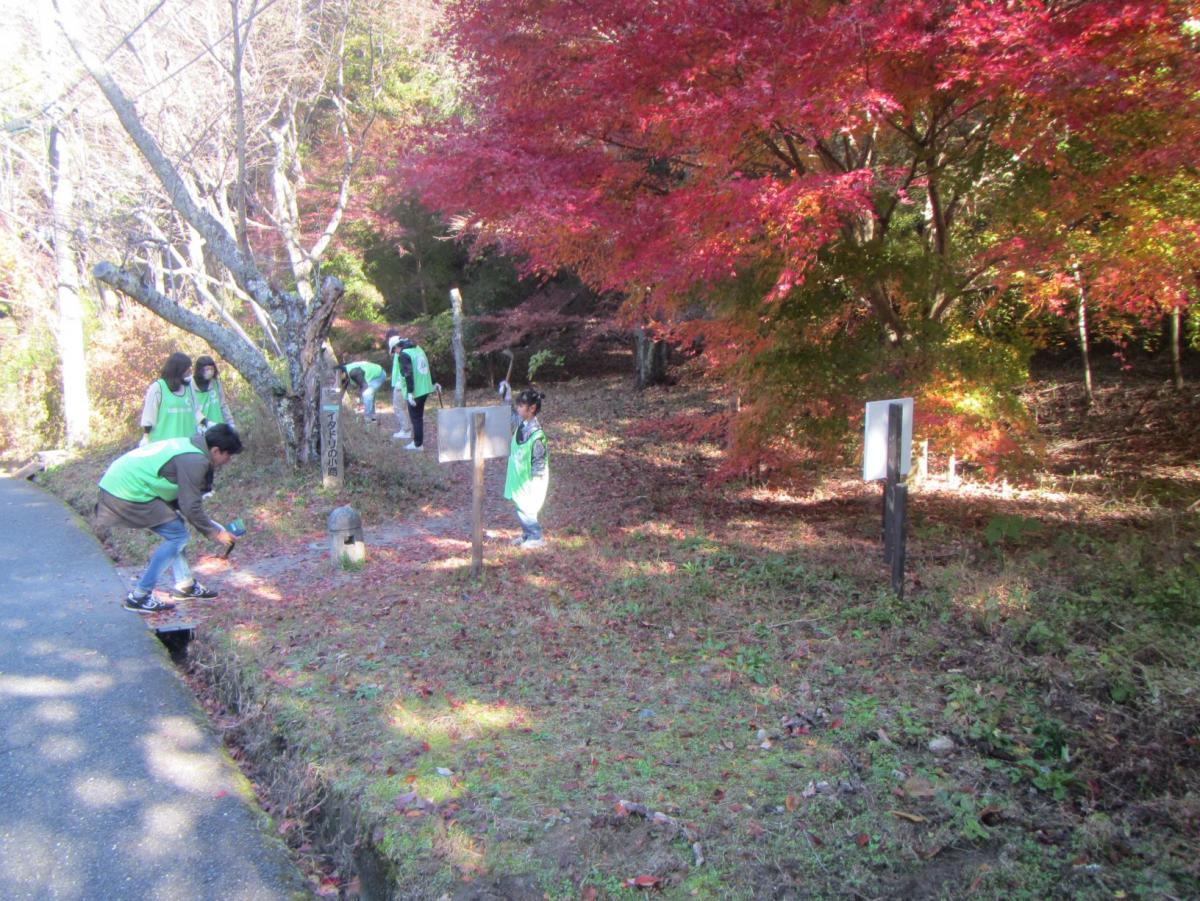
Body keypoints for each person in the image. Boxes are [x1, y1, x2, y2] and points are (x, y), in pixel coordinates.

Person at [95, 423, 243, 613]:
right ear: (215, 450)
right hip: (123, 491)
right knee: (177, 535)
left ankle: (185, 584)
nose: (228, 460)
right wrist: (215, 533)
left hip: (124, 484)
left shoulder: (192, 446)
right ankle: (139, 596)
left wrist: (216, 527)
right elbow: (190, 506)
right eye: (228, 455)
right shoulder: (196, 460)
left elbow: (184, 502)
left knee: (176, 530)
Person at [503, 388, 549, 549]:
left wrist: (536, 482)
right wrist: (507, 395)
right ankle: (527, 534)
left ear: (532, 409)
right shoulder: (522, 424)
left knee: (527, 509)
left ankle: (536, 536)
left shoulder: (536, 435)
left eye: (521, 406)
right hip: (518, 478)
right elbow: (510, 416)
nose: (518, 408)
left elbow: (539, 461)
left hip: (529, 481)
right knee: (520, 507)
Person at [140, 352, 196, 443]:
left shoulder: (189, 387)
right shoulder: (158, 388)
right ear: (179, 369)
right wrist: (146, 437)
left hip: (187, 443)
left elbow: (196, 411)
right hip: (164, 444)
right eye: (187, 368)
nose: (189, 371)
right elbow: (149, 415)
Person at [390, 337, 434, 450]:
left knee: (416, 418)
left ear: (397, 347)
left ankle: (417, 444)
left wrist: (410, 393)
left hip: (415, 392)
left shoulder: (404, 354)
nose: (396, 353)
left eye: (394, 351)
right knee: (418, 418)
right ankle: (418, 443)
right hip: (425, 388)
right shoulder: (418, 349)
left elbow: (408, 374)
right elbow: (425, 367)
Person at [189, 354, 235, 431]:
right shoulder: (189, 385)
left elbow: (223, 405)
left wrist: (231, 423)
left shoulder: (216, 383)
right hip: (199, 429)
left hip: (218, 428)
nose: (210, 372)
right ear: (200, 370)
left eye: (212, 369)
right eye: (207, 369)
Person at [386, 333, 412, 441]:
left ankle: (406, 430)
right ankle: (406, 429)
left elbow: (403, 371)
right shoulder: (407, 350)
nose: (393, 352)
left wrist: (398, 384)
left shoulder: (401, 353)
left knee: (398, 407)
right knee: (403, 408)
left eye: (393, 349)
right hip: (403, 384)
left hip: (401, 385)